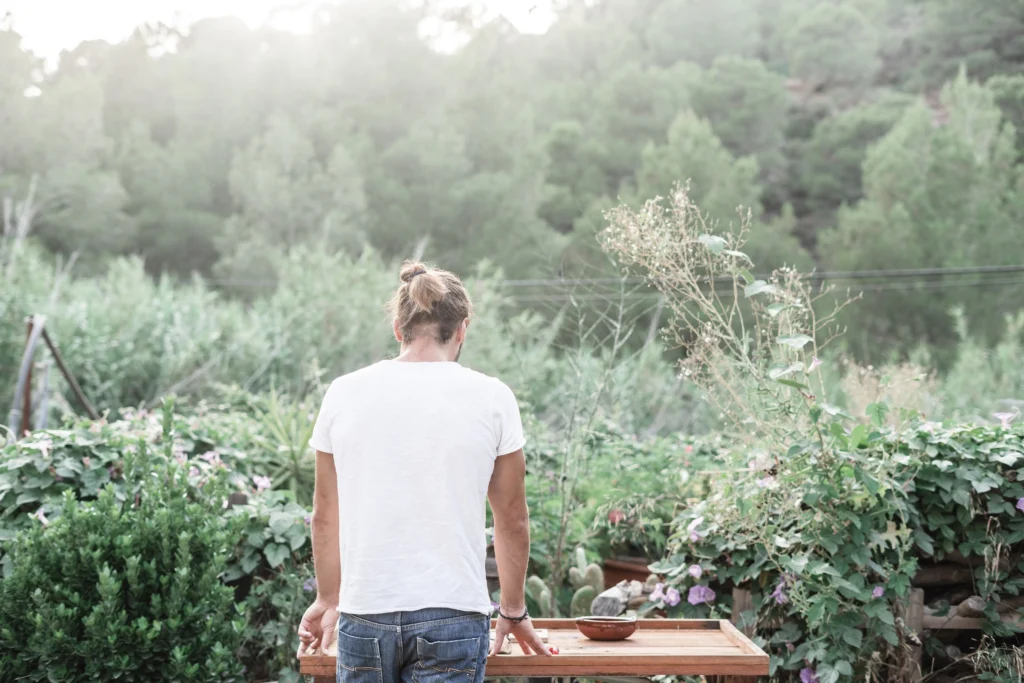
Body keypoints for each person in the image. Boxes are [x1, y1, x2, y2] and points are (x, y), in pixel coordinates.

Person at [297, 260, 555, 683]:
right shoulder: (493, 397)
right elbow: (512, 518)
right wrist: (513, 608)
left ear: (399, 328)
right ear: (462, 329)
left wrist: (328, 598)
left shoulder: (343, 392)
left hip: (365, 614)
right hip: (453, 614)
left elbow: (325, 514)